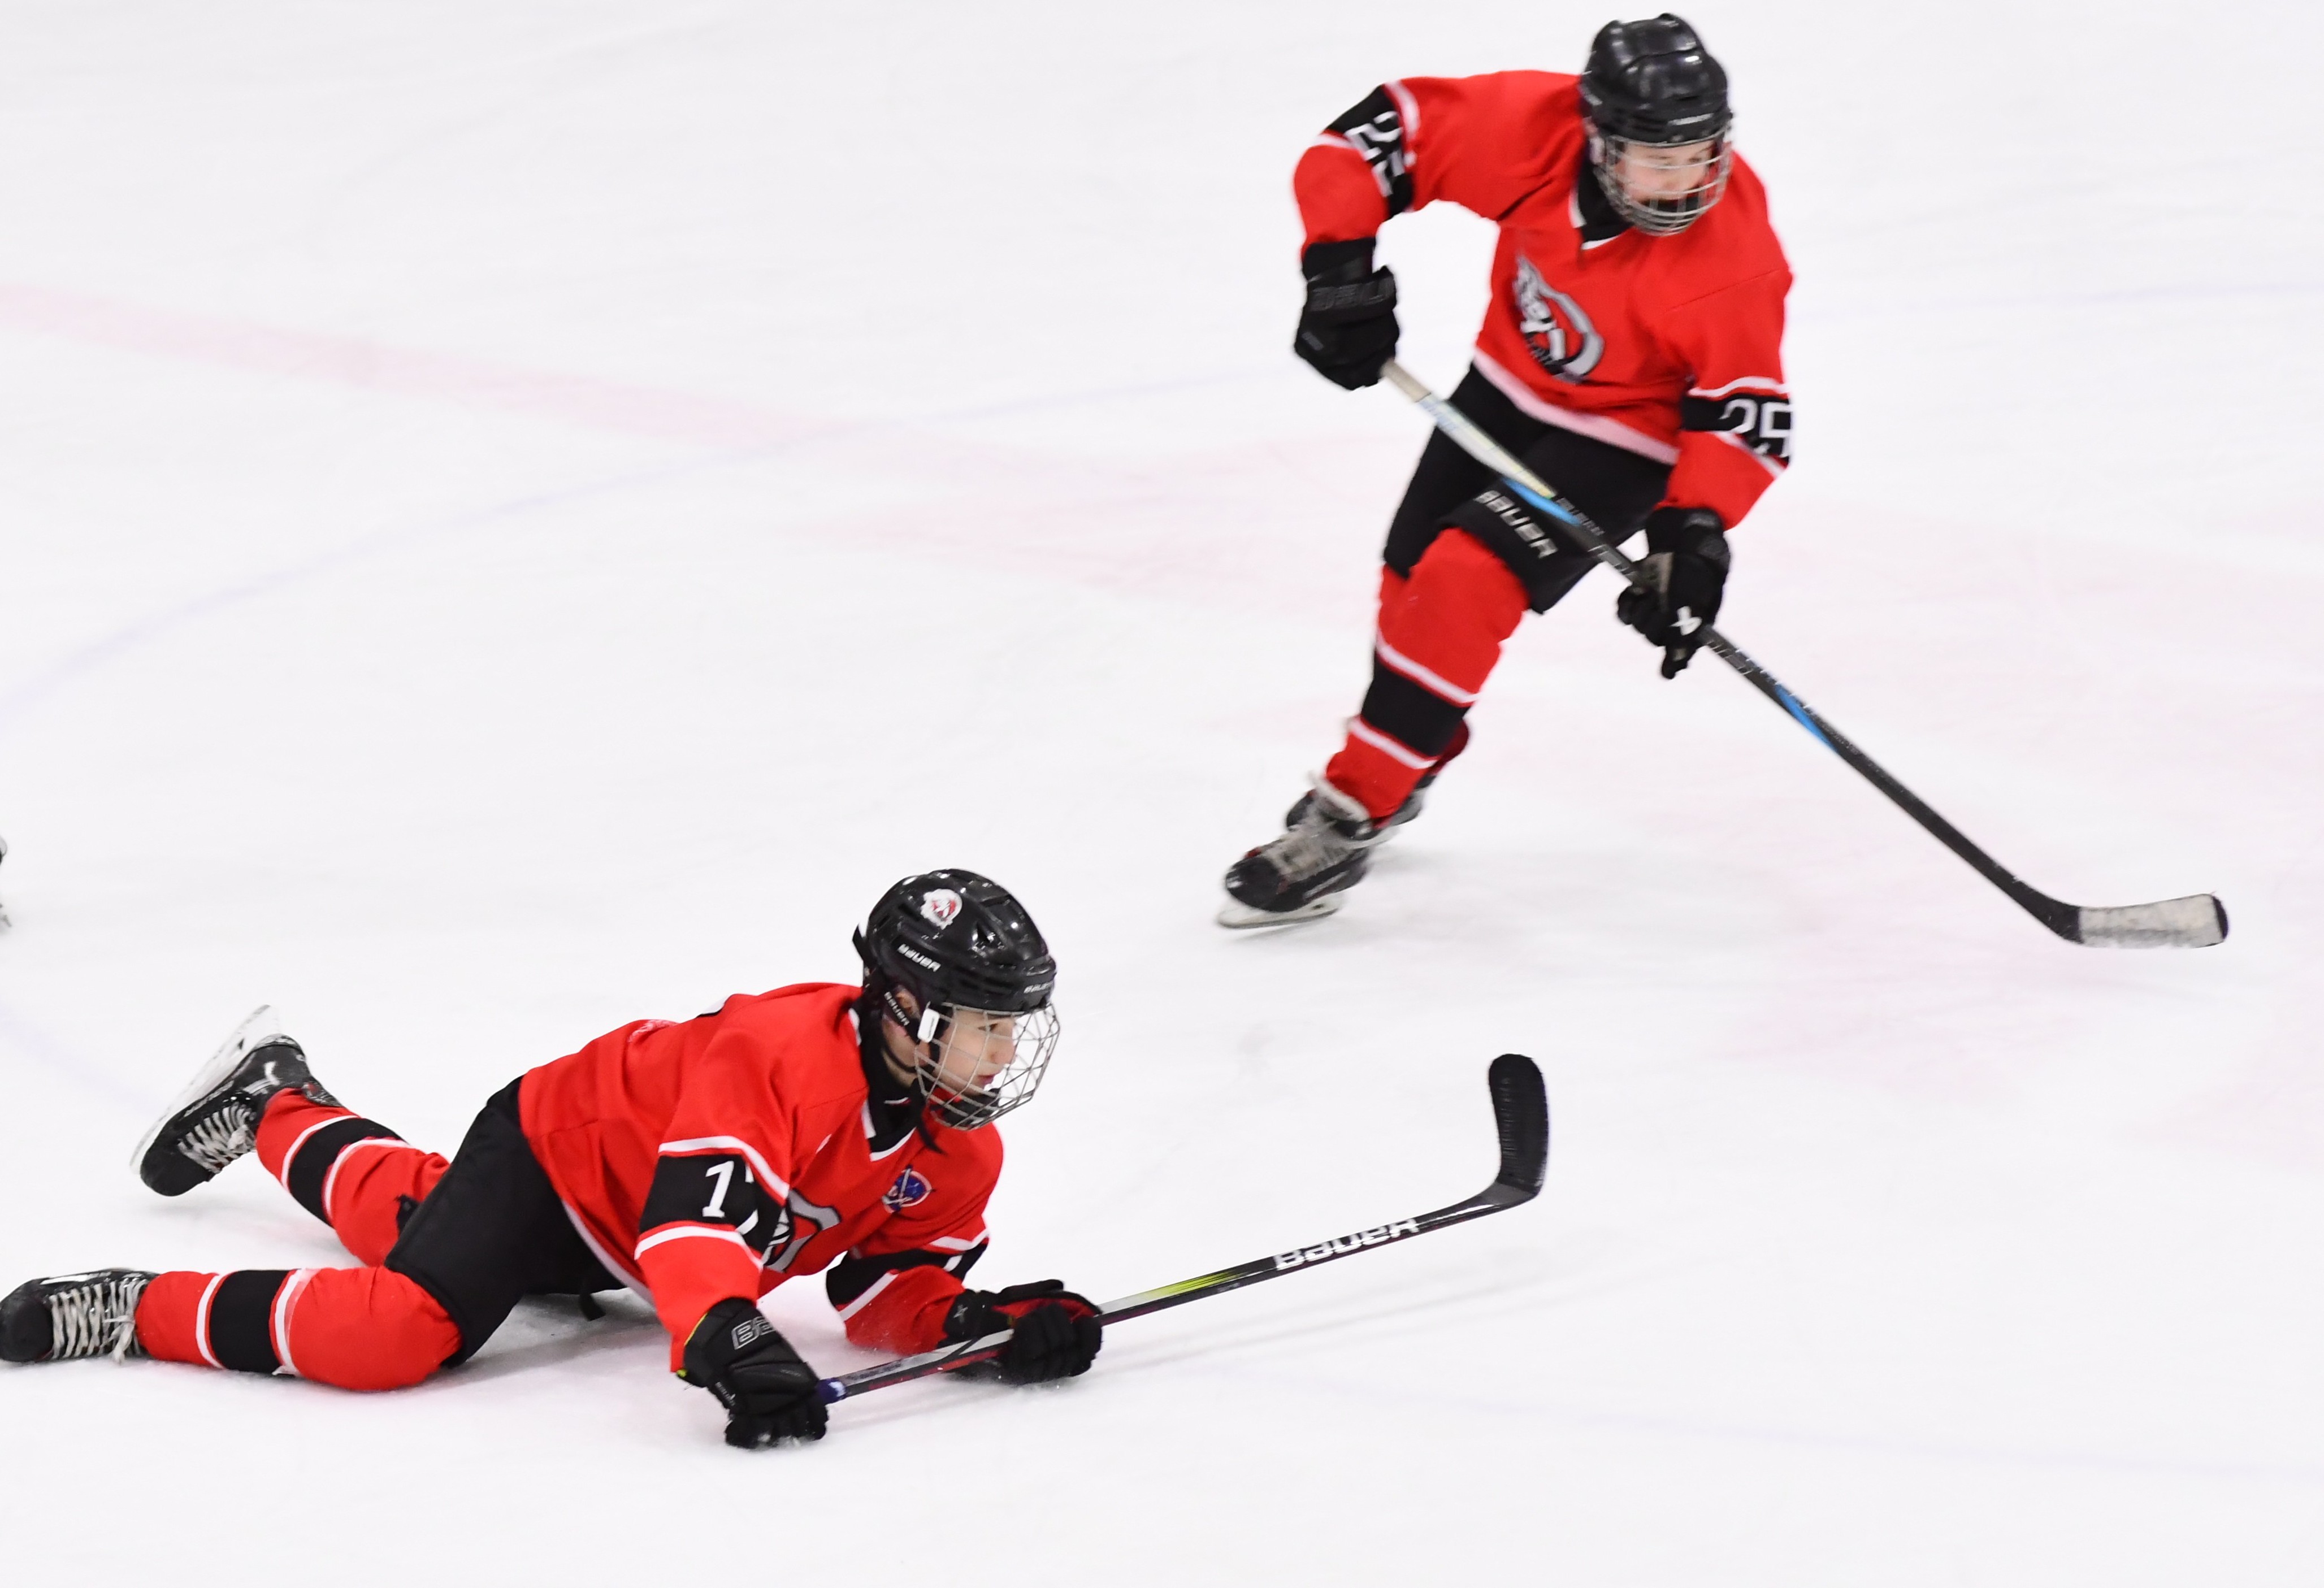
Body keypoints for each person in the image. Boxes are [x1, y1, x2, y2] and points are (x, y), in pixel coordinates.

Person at [0, 870, 1102, 1447]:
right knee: (396, 1328)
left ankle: (270, 1100)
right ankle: (131, 1306)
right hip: (555, 1154)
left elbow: (884, 1286)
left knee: (406, 1225)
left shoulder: (958, 1147)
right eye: (981, 1022)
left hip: (621, 1237)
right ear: (904, 1006)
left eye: (1012, 1026)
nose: (1001, 1053)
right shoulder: (776, 1053)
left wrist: (974, 1328)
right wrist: (730, 1337)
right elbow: (697, 1235)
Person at [1221, 14, 1792, 927]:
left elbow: (1744, 417)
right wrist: (1339, 269)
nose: (1684, 186)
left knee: (1459, 583)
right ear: (1598, 140)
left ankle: (1355, 807)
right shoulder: (1531, 126)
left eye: (1700, 157)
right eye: (1657, 160)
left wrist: (1693, 536)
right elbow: (1362, 145)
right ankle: (1409, 753)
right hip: (1505, 385)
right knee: (1410, 580)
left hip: (1629, 434)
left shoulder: (1732, 260)